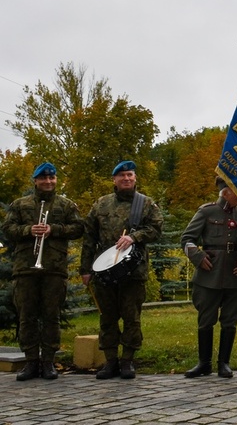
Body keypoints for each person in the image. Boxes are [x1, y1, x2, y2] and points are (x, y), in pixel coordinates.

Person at [81, 161, 163, 380]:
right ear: (114, 180)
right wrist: (85, 269)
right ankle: (110, 361)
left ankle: (127, 361)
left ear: (135, 178)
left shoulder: (146, 203)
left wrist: (134, 237)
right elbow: (89, 237)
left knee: (131, 317)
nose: (126, 178)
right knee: (107, 317)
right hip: (103, 271)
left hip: (134, 271)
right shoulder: (101, 204)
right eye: (122, 175)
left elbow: (156, 229)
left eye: (130, 175)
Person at [2, 162, 84, 381]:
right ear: (36, 181)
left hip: (54, 268)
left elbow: (78, 228)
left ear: (55, 179)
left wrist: (53, 229)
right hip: (25, 268)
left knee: (51, 316)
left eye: (52, 178)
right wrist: (28, 230)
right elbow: (7, 229)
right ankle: (31, 362)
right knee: (26, 317)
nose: (48, 181)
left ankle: (48, 362)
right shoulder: (20, 204)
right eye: (44, 178)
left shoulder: (66, 205)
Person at [181, 176, 237, 379]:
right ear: (225, 192)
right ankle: (204, 363)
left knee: (230, 320)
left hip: (235, 274)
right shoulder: (207, 211)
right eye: (236, 190)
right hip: (209, 274)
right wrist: (198, 257)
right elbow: (187, 239)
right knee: (206, 320)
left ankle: (223, 363)